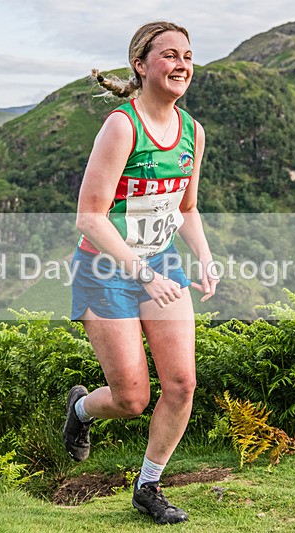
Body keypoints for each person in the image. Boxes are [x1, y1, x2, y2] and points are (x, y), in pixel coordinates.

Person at [63, 21, 219, 525]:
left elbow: (188, 209)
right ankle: (83, 410)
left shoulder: (193, 132)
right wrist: (143, 273)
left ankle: (148, 487)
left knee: (180, 384)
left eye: (188, 57)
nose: (181, 65)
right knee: (132, 398)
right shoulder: (122, 125)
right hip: (105, 269)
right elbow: (90, 215)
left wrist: (204, 257)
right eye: (170, 55)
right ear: (141, 65)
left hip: (162, 265)